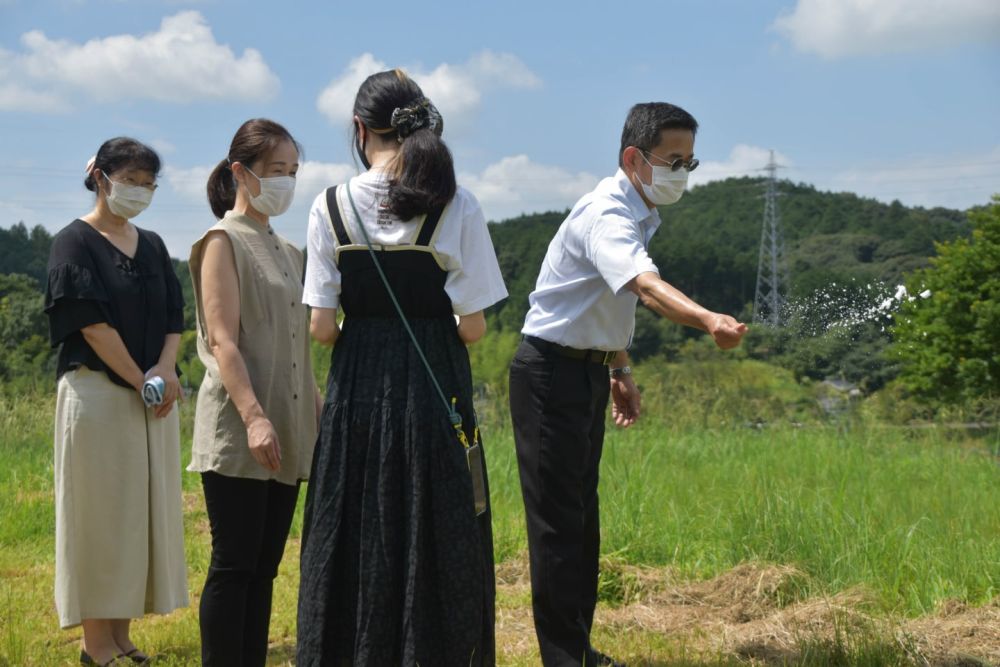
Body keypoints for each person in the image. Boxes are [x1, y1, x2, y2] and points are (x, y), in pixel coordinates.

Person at [508, 102, 748, 667]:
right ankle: (565, 658)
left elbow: (602, 298)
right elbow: (643, 285)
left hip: (585, 369)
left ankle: (578, 648)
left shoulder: (636, 212)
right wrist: (709, 319)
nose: (681, 174)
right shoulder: (608, 215)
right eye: (673, 160)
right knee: (557, 523)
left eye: (690, 163)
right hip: (549, 373)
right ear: (633, 158)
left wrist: (619, 369)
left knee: (580, 518)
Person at [296, 69, 507, 666]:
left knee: (354, 520)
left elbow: (319, 328)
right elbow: (473, 326)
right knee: (439, 522)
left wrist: (361, 333)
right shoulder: (455, 204)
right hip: (434, 380)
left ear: (360, 130)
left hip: (358, 382)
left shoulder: (329, 205)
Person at [44, 137, 188, 666]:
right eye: (131, 181)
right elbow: (90, 323)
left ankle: (123, 636)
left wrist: (166, 370)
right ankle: (96, 645)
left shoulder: (150, 243)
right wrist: (139, 378)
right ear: (101, 178)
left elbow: (175, 314)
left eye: (149, 184)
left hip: (154, 398)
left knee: (139, 516)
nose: (141, 192)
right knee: (100, 518)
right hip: (100, 396)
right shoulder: (73, 243)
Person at [188, 118, 320, 666]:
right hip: (242, 427)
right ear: (241, 172)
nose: (286, 182)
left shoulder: (290, 253)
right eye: (275, 171)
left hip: (288, 428)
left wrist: (320, 419)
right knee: (234, 562)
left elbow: (300, 353)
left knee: (266, 566)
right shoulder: (222, 241)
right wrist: (254, 417)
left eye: (292, 171)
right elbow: (222, 340)